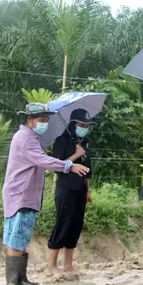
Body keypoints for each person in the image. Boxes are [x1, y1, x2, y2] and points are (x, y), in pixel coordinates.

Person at [2, 103, 89, 285]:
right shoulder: (26, 139)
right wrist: (69, 165)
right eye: (42, 120)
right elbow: (43, 160)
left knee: (21, 237)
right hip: (22, 193)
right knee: (17, 237)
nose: (45, 124)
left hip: (23, 193)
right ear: (30, 120)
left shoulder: (29, 137)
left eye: (47, 120)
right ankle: (14, 282)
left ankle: (21, 279)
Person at [47, 108, 95, 273]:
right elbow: (57, 166)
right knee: (63, 222)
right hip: (66, 188)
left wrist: (88, 191)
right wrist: (75, 155)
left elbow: (88, 170)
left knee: (75, 224)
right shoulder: (61, 141)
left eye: (87, 125)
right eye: (81, 124)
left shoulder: (84, 142)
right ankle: (51, 265)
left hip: (80, 189)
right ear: (73, 124)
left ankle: (68, 265)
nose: (84, 127)